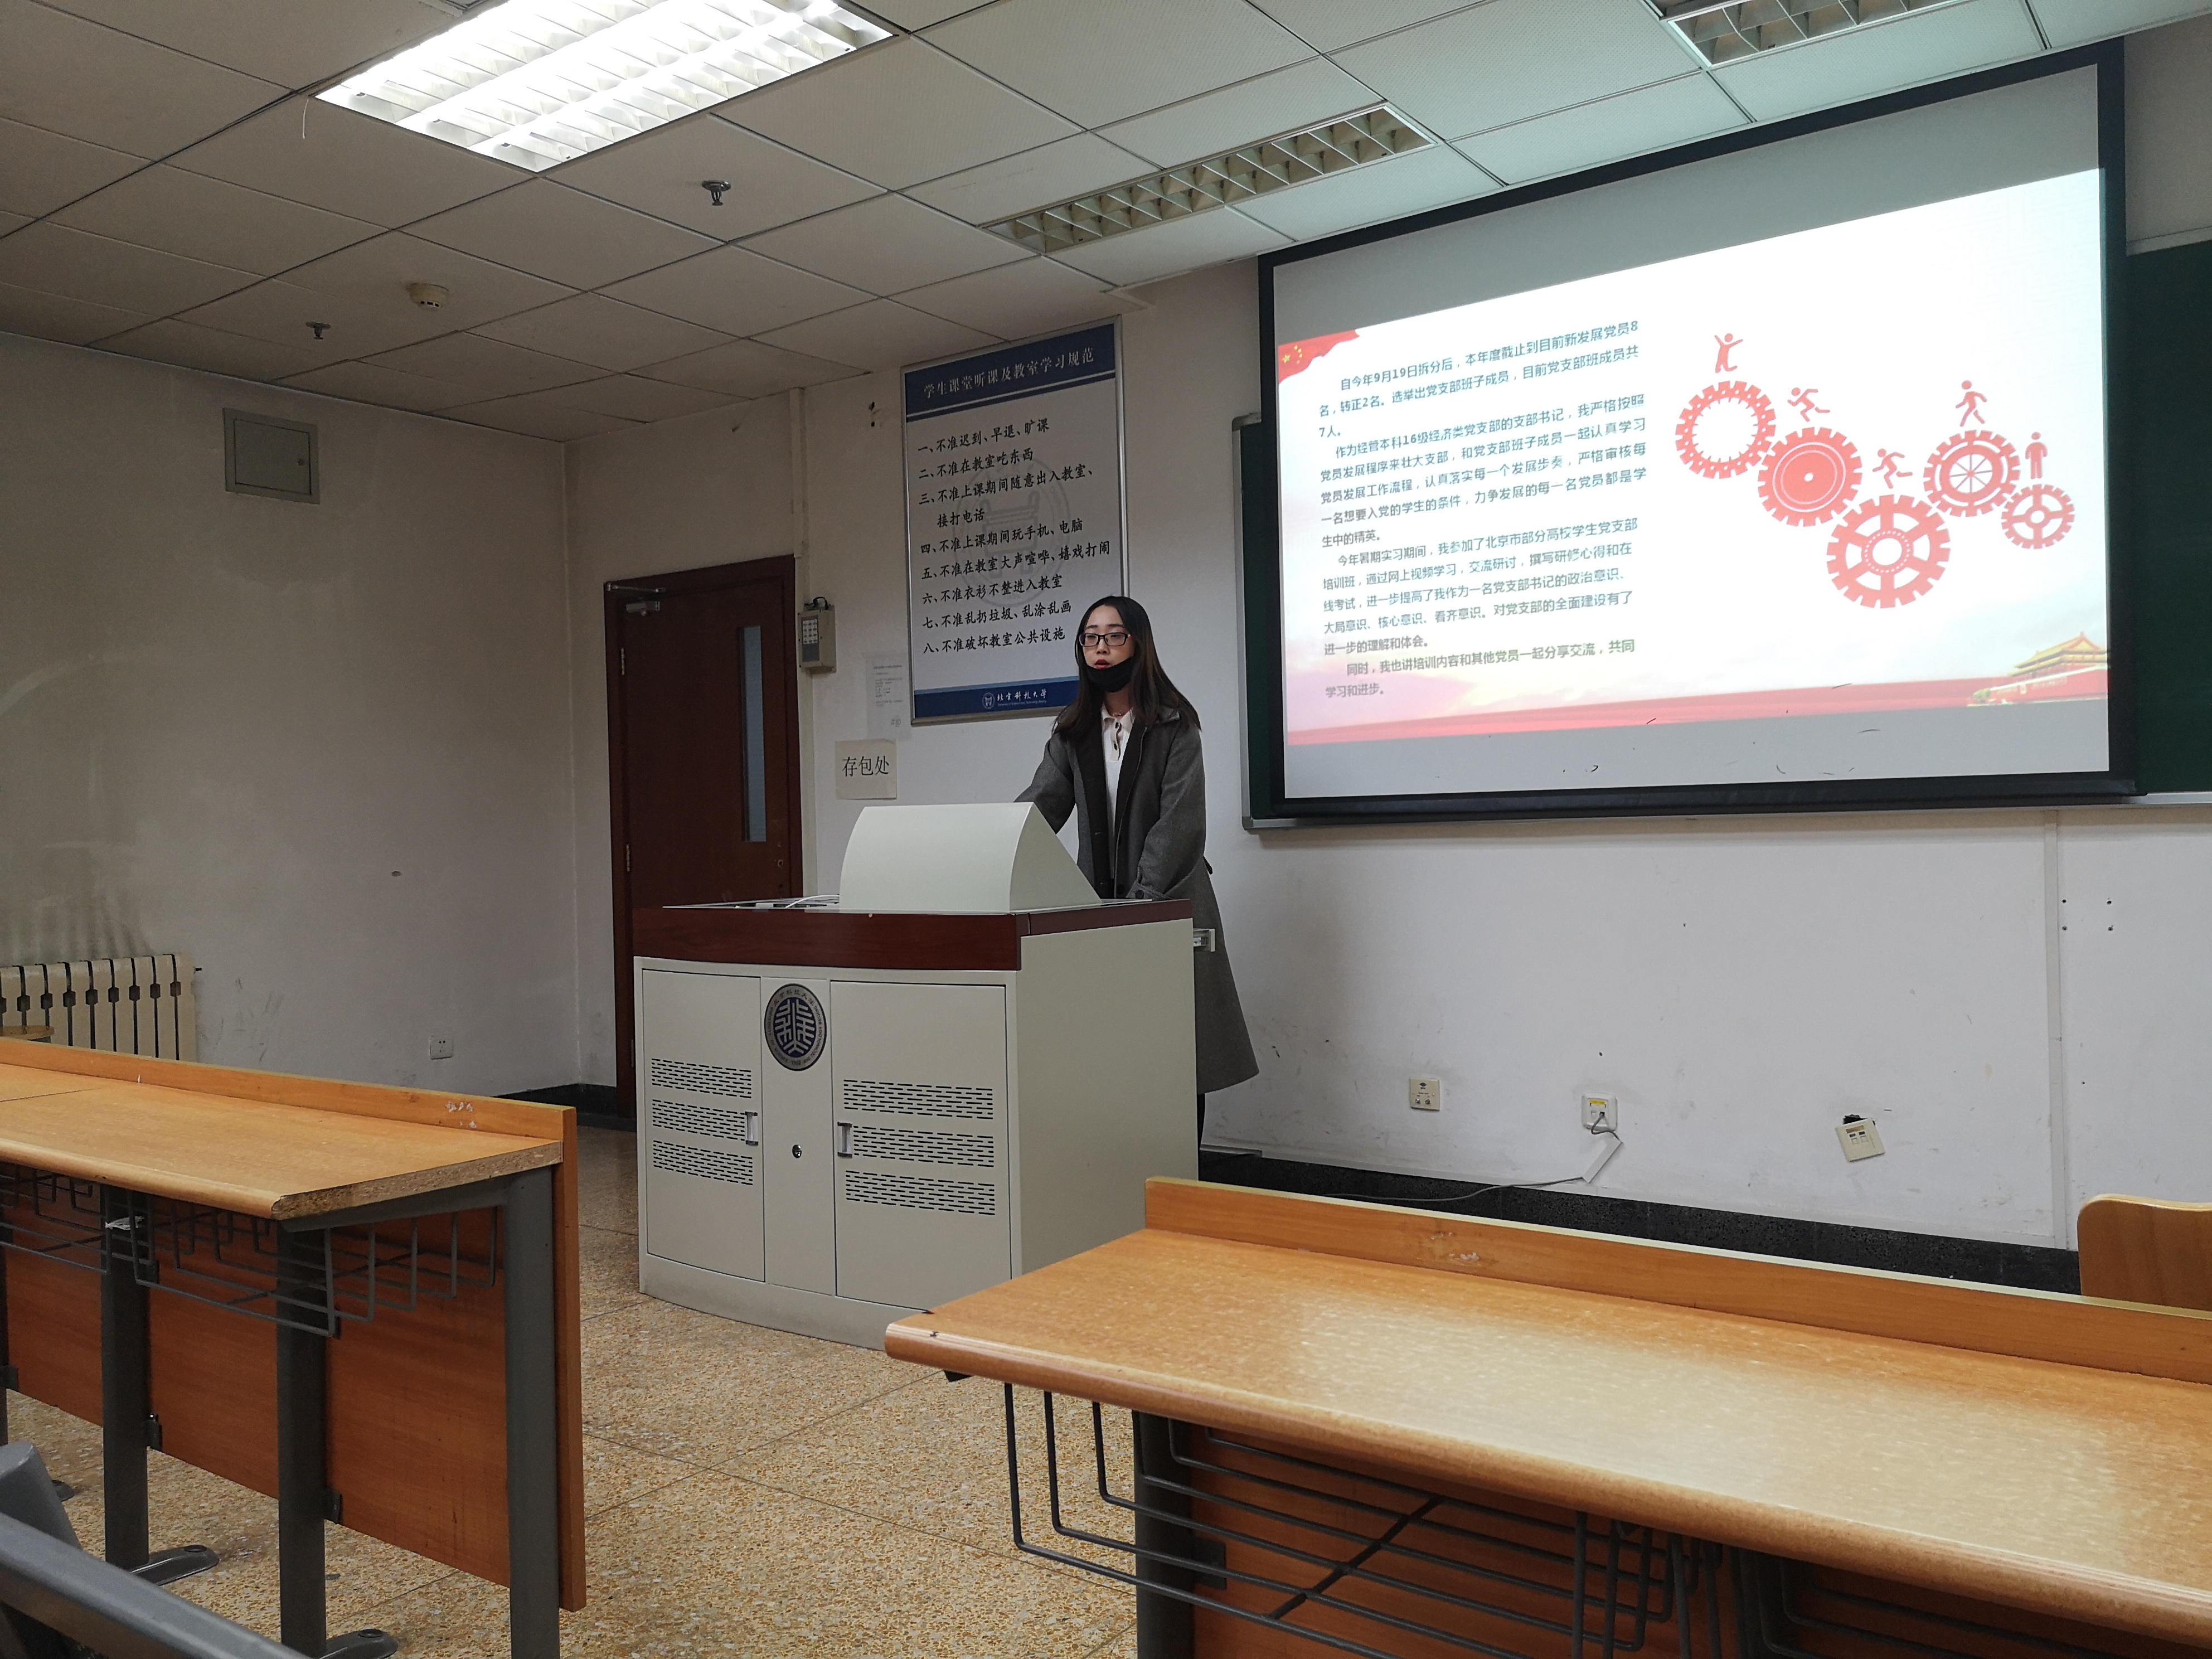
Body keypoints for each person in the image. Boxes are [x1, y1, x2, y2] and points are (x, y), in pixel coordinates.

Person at [1019, 596, 1259, 1134]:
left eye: (1114, 635)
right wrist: (993, 848)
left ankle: (1179, 1172)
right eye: (1090, 637)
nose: (1100, 648)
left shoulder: (1175, 726)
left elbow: (1178, 828)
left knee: (1178, 1056)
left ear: (1139, 644)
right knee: (1111, 1054)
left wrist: (1135, 911)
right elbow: (1039, 809)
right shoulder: (1073, 731)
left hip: (1168, 908)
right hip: (1102, 915)